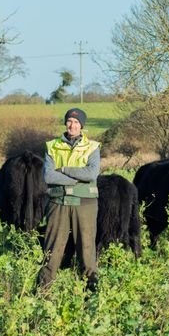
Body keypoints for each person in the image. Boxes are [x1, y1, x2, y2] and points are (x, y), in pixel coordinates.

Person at [37, 107, 100, 292]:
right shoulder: (52, 146)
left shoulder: (92, 147)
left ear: (82, 125)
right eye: (69, 121)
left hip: (85, 204)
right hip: (58, 203)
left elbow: (91, 173)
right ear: (66, 123)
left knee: (87, 250)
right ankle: (43, 293)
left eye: (76, 122)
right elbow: (49, 176)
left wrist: (63, 169)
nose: (72, 125)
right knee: (52, 251)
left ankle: (91, 294)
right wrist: (77, 180)